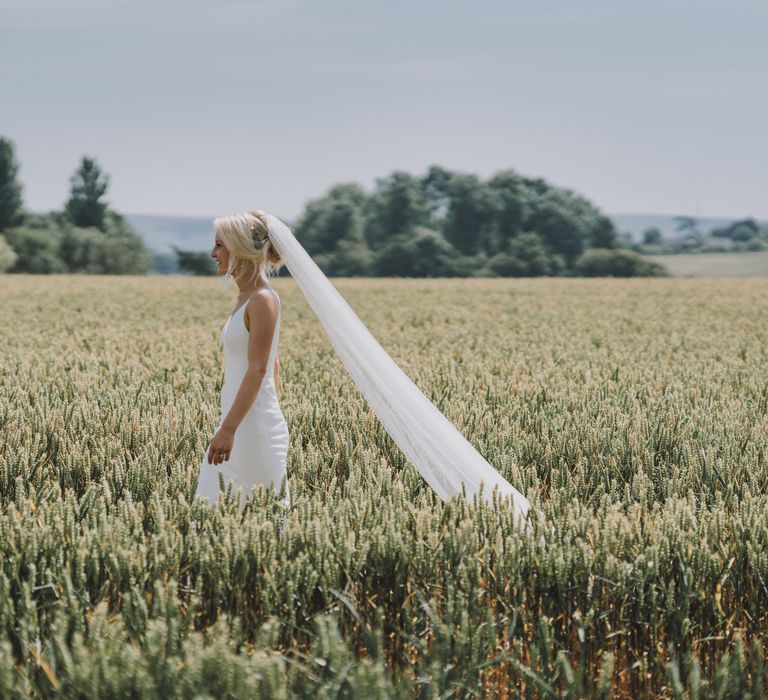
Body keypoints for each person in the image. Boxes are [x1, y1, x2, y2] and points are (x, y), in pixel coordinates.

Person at [195, 210, 290, 511]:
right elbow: (272, 365)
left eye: (220, 245)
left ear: (241, 250)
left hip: (249, 425)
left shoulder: (261, 299)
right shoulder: (246, 297)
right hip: (241, 418)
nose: (213, 253)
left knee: (261, 512)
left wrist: (228, 429)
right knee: (219, 507)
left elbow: (260, 368)